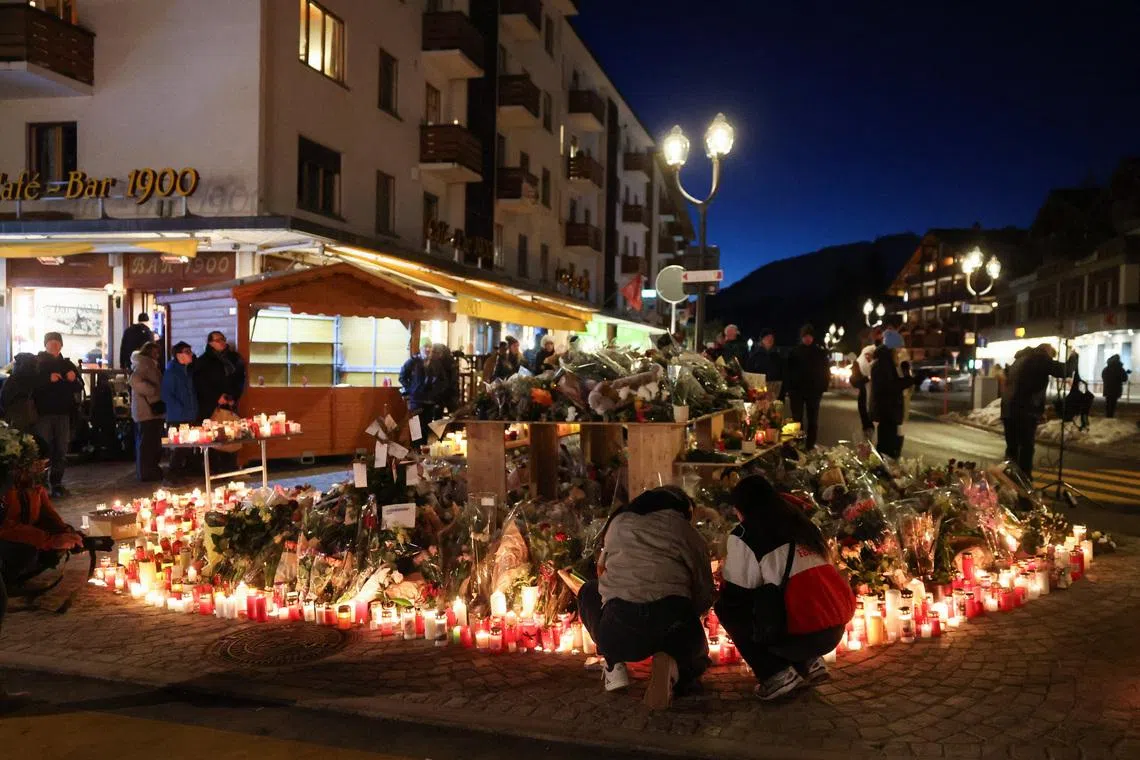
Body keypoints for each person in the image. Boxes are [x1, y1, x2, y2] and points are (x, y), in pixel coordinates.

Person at [715, 475, 855, 700]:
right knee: (785, 595)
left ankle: (776, 674)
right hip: (834, 626)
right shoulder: (801, 523)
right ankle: (810, 662)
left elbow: (739, 589)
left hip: (801, 632)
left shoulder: (746, 534)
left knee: (728, 607)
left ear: (741, 508)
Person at [578, 486, 714, 710]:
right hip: (671, 623)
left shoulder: (618, 524)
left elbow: (602, 573)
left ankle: (613, 665)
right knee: (695, 654)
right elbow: (703, 585)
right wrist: (694, 611)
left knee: (588, 591)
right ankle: (677, 671)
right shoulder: (682, 528)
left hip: (620, 629)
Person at [1000, 344, 1068, 479]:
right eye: (1051, 357)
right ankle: (1025, 481)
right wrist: (1073, 358)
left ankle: (1009, 479)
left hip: (1008, 410)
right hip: (1024, 411)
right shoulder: (1039, 358)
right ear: (1047, 352)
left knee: (1012, 448)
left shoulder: (1020, 359)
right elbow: (1062, 371)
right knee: (1026, 448)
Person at [33, 333, 83, 499]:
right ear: (45, 344)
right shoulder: (37, 363)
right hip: (44, 414)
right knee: (43, 449)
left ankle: (57, 483)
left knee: (61, 449)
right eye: (51, 342)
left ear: (61, 345)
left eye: (57, 343)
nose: (54, 345)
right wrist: (48, 379)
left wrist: (73, 379)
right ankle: (40, 484)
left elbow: (79, 386)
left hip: (63, 413)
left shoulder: (67, 364)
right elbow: (31, 385)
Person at [868, 334, 915, 459]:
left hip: (889, 413)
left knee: (890, 446)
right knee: (887, 448)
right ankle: (882, 472)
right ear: (892, 349)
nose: (899, 352)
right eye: (898, 349)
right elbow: (890, 387)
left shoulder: (887, 363)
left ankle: (885, 469)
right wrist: (908, 381)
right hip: (887, 412)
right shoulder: (883, 365)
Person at [784, 325, 830, 450]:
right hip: (797, 391)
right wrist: (789, 388)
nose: (808, 339)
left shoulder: (819, 353)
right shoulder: (794, 352)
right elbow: (788, 371)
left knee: (813, 420)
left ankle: (810, 444)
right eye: (805, 336)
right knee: (797, 419)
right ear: (802, 337)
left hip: (814, 391)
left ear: (813, 337)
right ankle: (798, 443)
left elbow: (825, 371)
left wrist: (823, 387)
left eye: (810, 336)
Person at [161, 342, 198, 479]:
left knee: (186, 447)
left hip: (188, 413)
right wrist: (181, 408)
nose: (191, 354)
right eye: (187, 352)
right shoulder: (172, 372)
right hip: (179, 416)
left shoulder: (186, 371)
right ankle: (172, 475)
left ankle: (180, 473)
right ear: (179, 355)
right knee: (180, 447)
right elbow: (166, 394)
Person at [129, 341, 165, 482]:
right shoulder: (145, 365)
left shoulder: (148, 364)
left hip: (149, 409)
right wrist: (154, 392)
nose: (157, 355)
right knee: (148, 443)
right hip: (147, 410)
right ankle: (147, 472)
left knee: (150, 442)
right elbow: (135, 381)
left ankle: (149, 470)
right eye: (155, 352)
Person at [193, 331, 247, 421]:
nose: (222, 342)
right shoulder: (203, 361)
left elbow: (240, 379)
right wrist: (216, 397)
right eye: (218, 340)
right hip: (211, 406)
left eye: (223, 339)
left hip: (230, 403)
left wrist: (233, 396)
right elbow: (201, 384)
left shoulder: (233, 358)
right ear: (210, 343)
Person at [852, 327, 883, 441]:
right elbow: (859, 368)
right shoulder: (868, 351)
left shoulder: (883, 351)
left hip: (876, 391)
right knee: (866, 413)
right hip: (866, 388)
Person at [0, 353, 40, 433]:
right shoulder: (36, 378)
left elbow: (4, 398)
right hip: (31, 416)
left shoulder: (13, 380)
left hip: (14, 417)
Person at [747, 329, 784, 397]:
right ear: (762, 340)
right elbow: (750, 373)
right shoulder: (755, 356)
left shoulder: (776, 356)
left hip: (773, 391)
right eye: (767, 338)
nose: (770, 340)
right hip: (759, 392)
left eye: (771, 338)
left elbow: (781, 373)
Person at [1101, 354, 1130, 418]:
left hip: (1107, 389)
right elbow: (1124, 378)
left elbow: (1103, 376)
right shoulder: (1120, 369)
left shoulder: (1106, 368)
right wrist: (1126, 373)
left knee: (1108, 403)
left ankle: (1108, 416)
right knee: (1113, 403)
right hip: (1116, 389)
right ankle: (1111, 416)